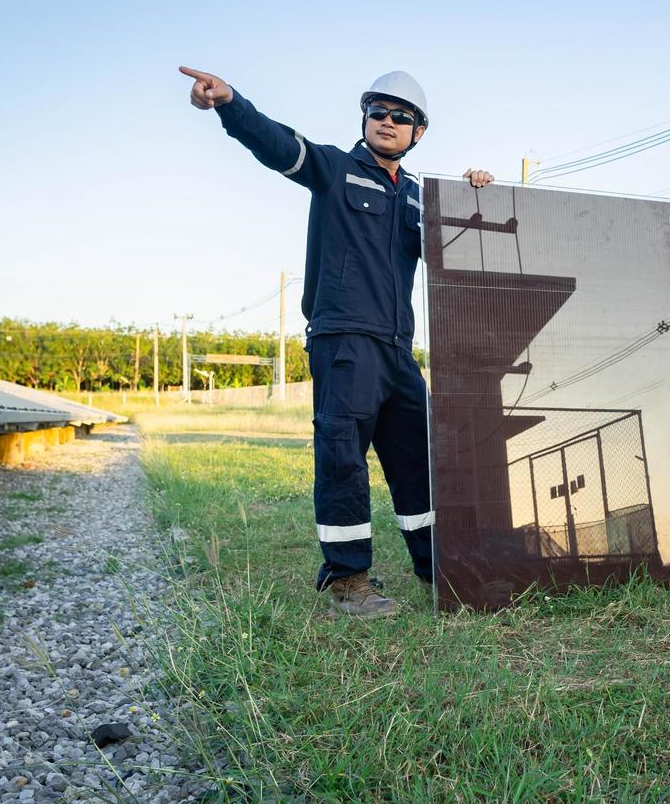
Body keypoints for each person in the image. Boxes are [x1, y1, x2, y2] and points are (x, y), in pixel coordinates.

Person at [179, 65, 493, 618]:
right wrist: (230, 104)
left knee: (420, 462)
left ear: (418, 132)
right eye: (379, 112)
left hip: (399, 350)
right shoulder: (333, 169)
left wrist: (476, 193)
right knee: (344, 457)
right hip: (344, 341)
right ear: (365, 119)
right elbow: (278, 144)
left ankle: (436, 569)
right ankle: (349, 582)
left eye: (402, 117)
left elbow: (468, 249)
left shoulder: (422, 197)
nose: (388, 121)